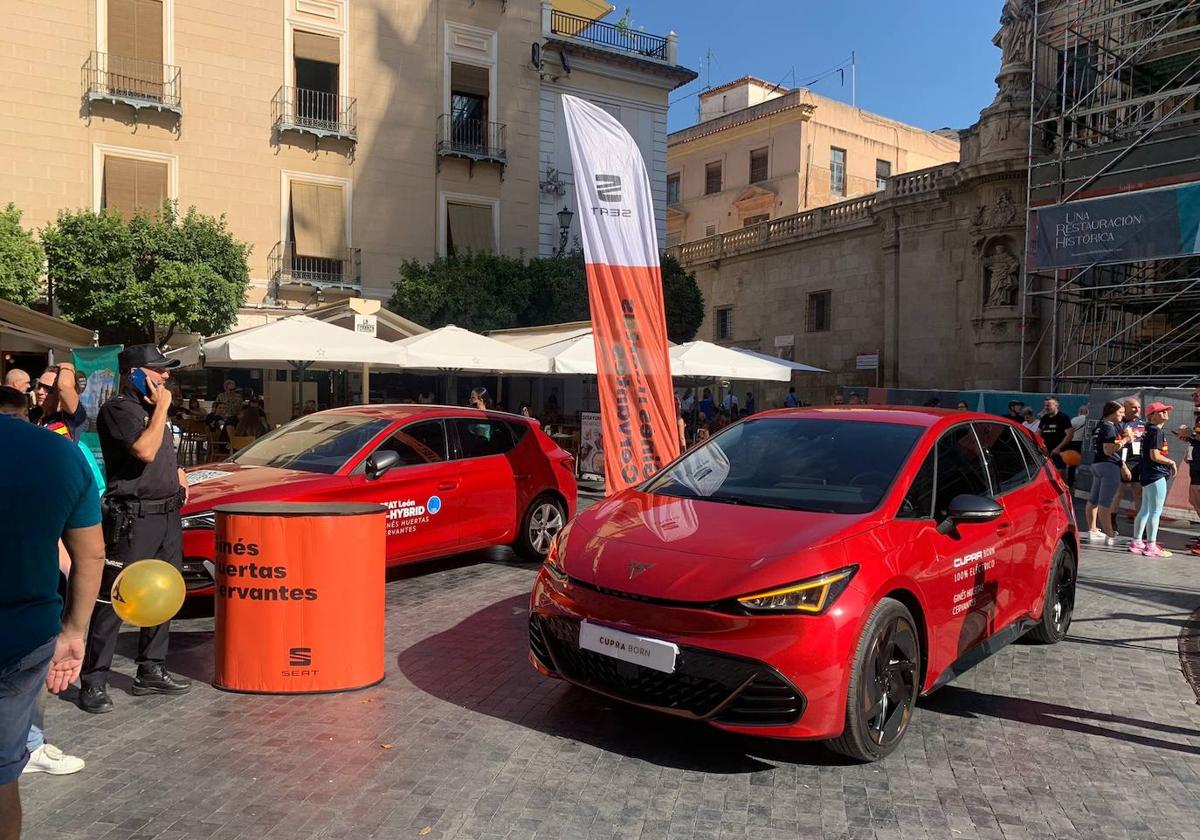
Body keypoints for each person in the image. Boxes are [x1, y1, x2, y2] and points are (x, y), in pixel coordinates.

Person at [0, 397, 105, 837]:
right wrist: (75, 630)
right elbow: (92, 554)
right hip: (25, 635)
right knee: (3, 774)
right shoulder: (59, 452)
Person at [77, 345, 192, 714]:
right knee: (118, 597)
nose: (166, 377)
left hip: (167, 515)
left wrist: (177, 473)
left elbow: (159, 454)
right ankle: (94, 680)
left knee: (163, 592)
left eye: (166, 370)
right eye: (158, 370)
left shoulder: (150, 409)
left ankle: (151, 669)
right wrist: (161, 409)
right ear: (134, 373)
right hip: (133, 518)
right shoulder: (119, 410)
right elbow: (143, 450)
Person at [1130, 402, 1177, 557]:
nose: (1165, 413)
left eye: (1165, 410)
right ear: (1151, 416)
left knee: (1146, 509)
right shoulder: (1156, 431)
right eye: (1161, 411)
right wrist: (1171, 462)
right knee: (1155, 511)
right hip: (1155, 474)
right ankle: (1151, 545)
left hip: (1147, 474)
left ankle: (1137, 541)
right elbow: (1154, 455)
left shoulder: (1147, 430)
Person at [1085, 401, 1129, 546]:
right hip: (1108, 466)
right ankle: (1110, 534)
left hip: (1097, 464)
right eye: (1120, 412)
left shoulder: (1100, 425)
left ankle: (1092, 529)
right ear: (1111, 412)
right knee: (1105, 502)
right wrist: (1126, 439)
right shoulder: (1109, 427)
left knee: (1093, 499)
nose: (1123, 415)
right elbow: (1108, 450)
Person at [31, 363, 87, 441]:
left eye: (48, 388)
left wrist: (66, 366)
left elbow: (64, 386)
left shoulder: (72, 416)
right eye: (39, 386)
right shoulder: (34, 416)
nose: (40, 392)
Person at [1115, 398, 1146, 522]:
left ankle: (1140, 523)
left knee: (1138, 493)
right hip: (1122, 462)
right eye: (1133, 407)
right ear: (1125, 409)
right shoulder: (1119, 423)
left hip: (1137, 462)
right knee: (1118, 493)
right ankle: (1111, 522)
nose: (1137, 410)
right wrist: (1122, 464)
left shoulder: (1142, 423)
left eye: (1138, 407)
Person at [1037, 398, 1074, 469]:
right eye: (1045, 405)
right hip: (1046, 452)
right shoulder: (1044, 418)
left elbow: (1069, 435)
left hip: (1059, 452)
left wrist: (1058, 448)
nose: (1046, 407)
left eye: (1048, 405)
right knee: (1046, 474)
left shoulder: (1063, 417)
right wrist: (1041, 447)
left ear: (1056, 405)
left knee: (1059, 474)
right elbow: (1038, 434)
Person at [1065, 404, 1088, 490]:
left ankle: (1070, 482)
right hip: (1085, 443)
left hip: (1074, 443)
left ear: (1080, 411)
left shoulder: (1075, 419)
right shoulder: (1089, 420)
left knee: (1072, 464)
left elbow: (1067, 430)